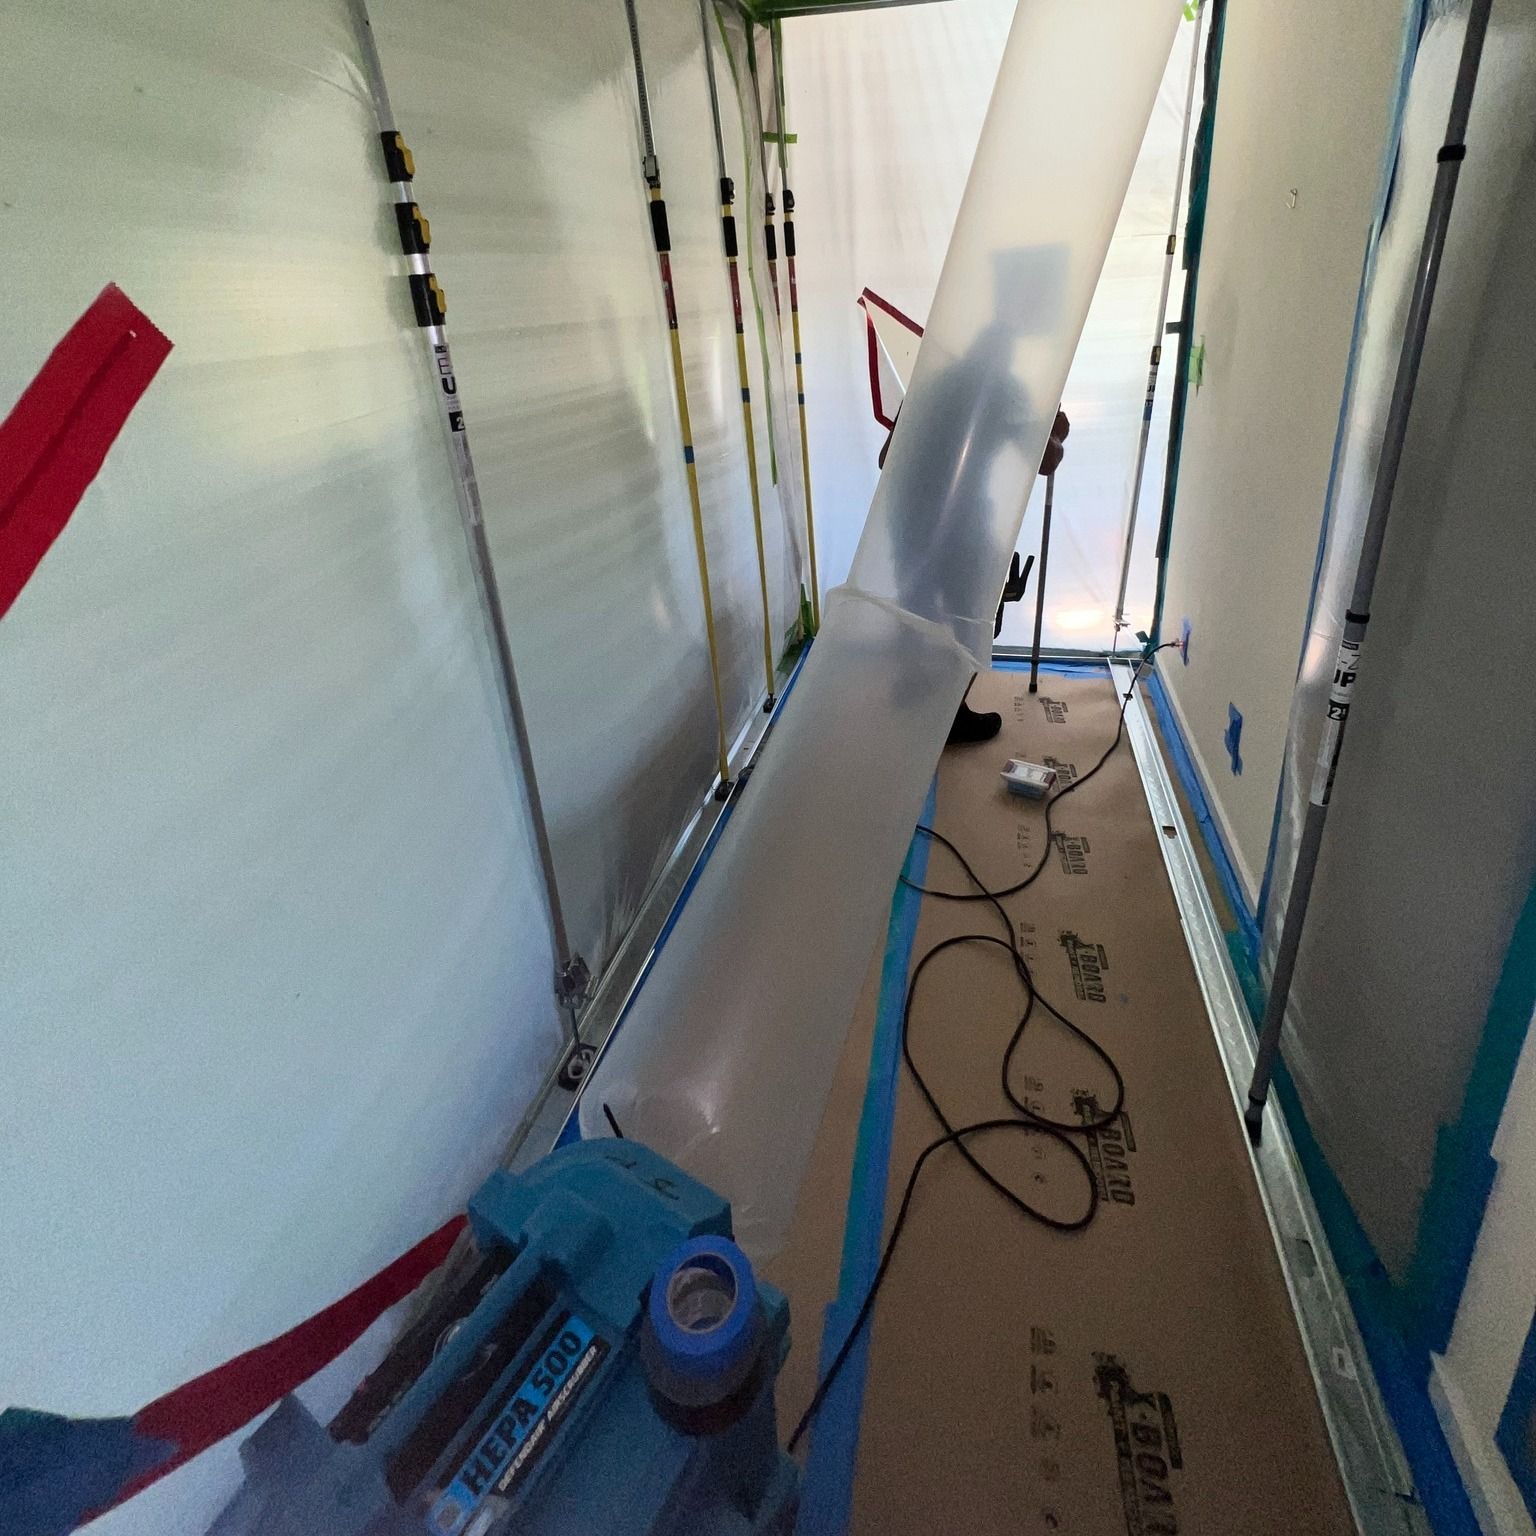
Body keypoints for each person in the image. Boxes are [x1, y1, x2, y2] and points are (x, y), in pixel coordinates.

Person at [876, 243, 1071, 745]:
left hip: (912, 521)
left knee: (919, 614)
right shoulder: (1001, 389)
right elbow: (1045, 462)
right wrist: (1048, 433)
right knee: (972, 624)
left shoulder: (933, 385)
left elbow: (885, 461)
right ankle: (948, 715)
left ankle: (915, 692)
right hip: (956, 527)